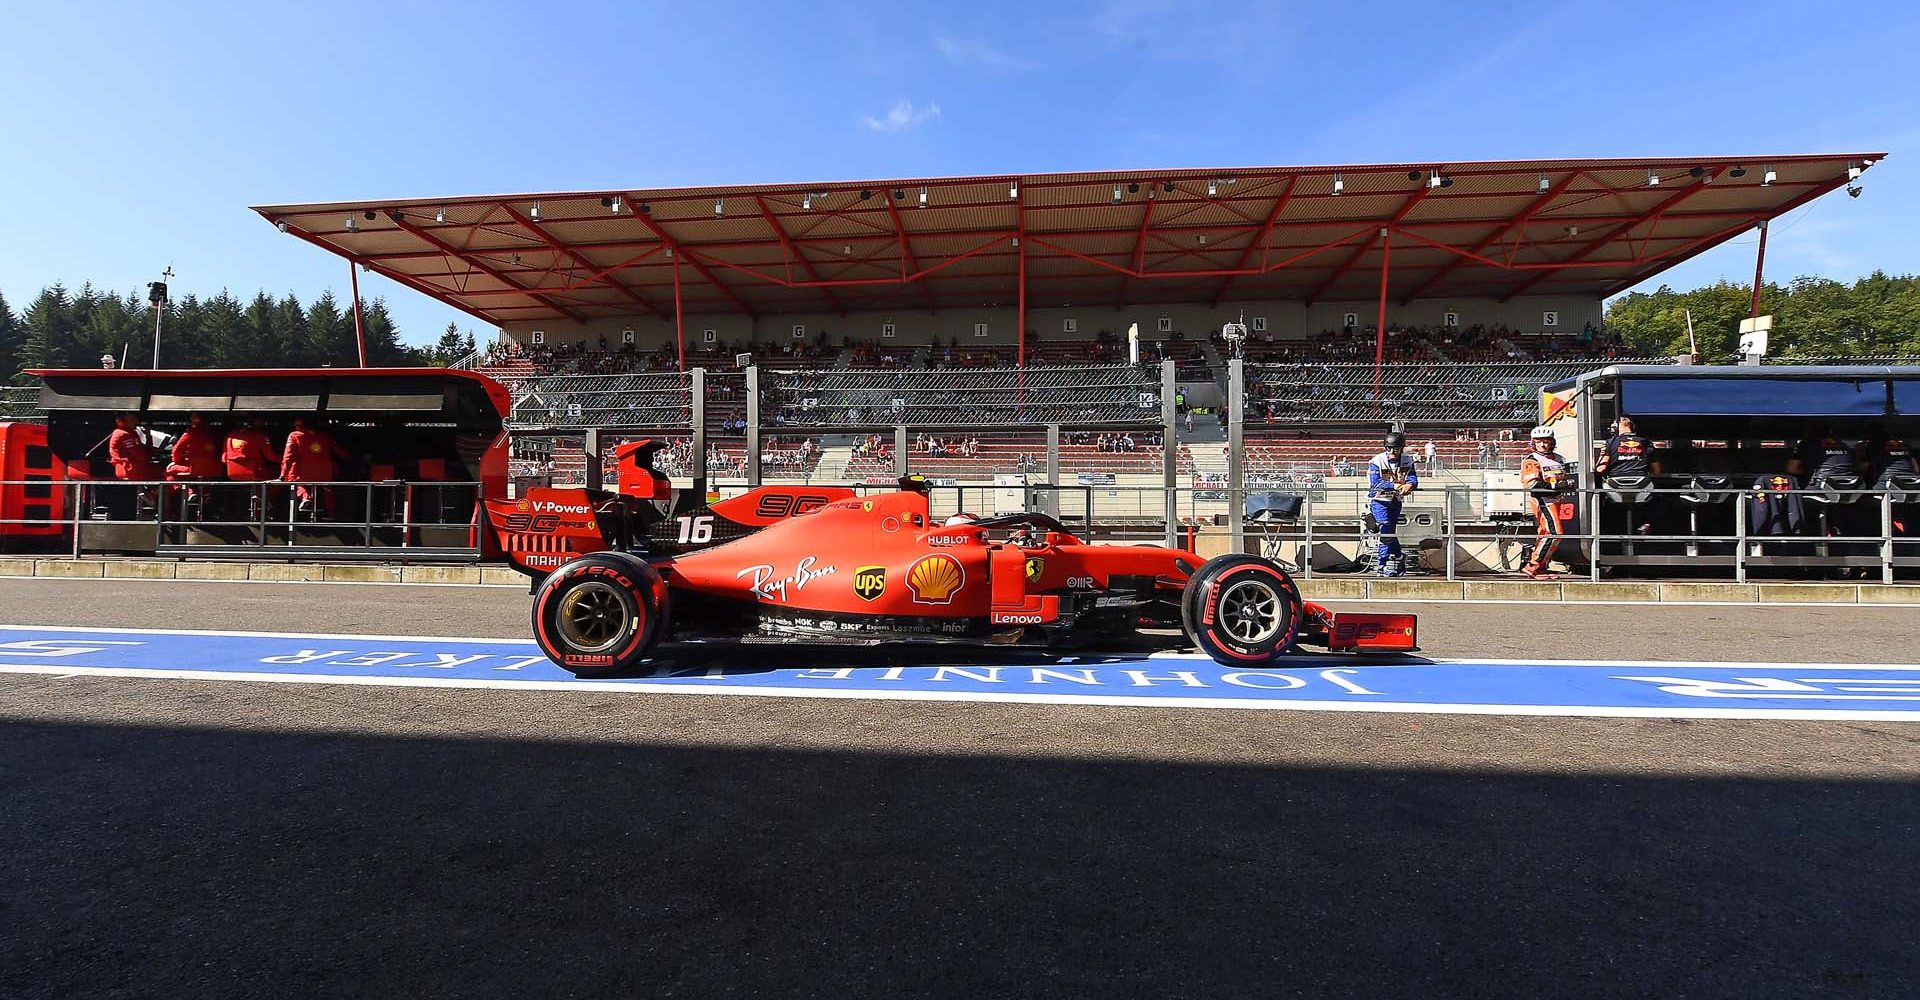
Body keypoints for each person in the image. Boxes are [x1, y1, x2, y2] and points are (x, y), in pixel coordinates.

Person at [1520, 425, 1578, 578]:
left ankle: (1542, 566)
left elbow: (1563, 478)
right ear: (1534, 443)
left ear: (1552, 442)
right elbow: (1532, 485)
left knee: (1545, 533)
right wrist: (1557, 485)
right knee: (1555, 533)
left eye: (1546, 441)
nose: (1543, 445)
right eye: (1539, 442)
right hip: (1543, 500)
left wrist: (1565, 483)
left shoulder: (1559, 458)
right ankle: (1532, 567)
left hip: (1557, 499)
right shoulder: (1531, 460)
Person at [1595, 415, 1661, 536]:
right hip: (1642, 486)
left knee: (1604, 503)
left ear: (1617, 427)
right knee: (1658, 499)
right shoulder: (1645, 442)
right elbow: (1657, 471)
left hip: (1615, 489)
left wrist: (1602, 454)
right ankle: (1646, 523)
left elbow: (1600, 469)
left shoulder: (1611, 443)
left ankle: (1610, 535)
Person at [1367, 431, 1419, 577]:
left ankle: (1399, 556)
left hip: (1396, 501)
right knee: (1386, 530)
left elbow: (1413, 478)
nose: (1391, 452)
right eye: (1388, 448)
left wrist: (1410, 485)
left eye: (1395, 449)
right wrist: (1396, 486)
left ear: (1401, 449)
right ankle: (1382, 565)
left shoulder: (1408, 460)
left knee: (1390, 533)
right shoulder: (1376, 461)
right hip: (1379, 500)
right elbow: (1376, 483)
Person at [281, 417, 350, 519]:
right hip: (324, 473)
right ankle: (330, 515)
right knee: (328, 489)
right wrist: (353, 458)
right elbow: (339, 452)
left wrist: (283, 474)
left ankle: (306, 498)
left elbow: (288, 456)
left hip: (303, 472)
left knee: (293, 481)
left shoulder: (294, 436)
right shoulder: (325, 436)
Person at [167, 413, 226, 519]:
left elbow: (177, 450)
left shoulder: (190, 432)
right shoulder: (214, 433)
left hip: (196, 468)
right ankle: (205, 492)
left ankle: (190, 492)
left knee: (170, 470)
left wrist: (177, 461)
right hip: (215, 469)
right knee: (201, 477)